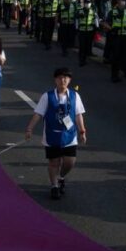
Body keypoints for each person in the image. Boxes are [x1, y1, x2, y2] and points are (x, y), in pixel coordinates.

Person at [23, 67, 87, 200]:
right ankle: (54, 186)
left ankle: (61, 177)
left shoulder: (75, 96)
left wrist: (82, 131)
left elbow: (78, 114)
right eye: (60, 78)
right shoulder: (47, 96)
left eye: (65, 78)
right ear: (55, 80)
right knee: (54, 162)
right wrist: (29, 128)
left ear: (69, 80)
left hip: (69, 135)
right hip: (52, 135)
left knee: (70, 162)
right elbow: (38, 113)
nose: (63, 80)